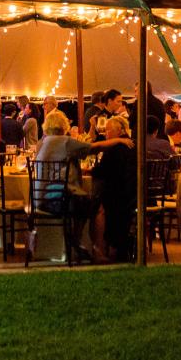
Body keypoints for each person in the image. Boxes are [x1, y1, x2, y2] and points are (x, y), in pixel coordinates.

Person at [34, 110, 131, 261]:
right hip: (59, 200)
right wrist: (118, 141)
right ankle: (88, 246)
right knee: (95, 207)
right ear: (64, 126)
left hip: (40, 198)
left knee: (84, 203)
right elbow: (94, 147)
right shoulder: (65, 141)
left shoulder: (42, 143)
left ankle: (75, 240)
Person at [91, 115, 138, 261]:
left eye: (108, 131)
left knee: (95, 206)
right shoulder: (133, 145)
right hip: (133, 194)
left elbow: (102, 171)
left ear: (120, 131)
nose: (106, 134)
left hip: (118, 195)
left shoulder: (114, 148)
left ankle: (99, 249)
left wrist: (90, 170)